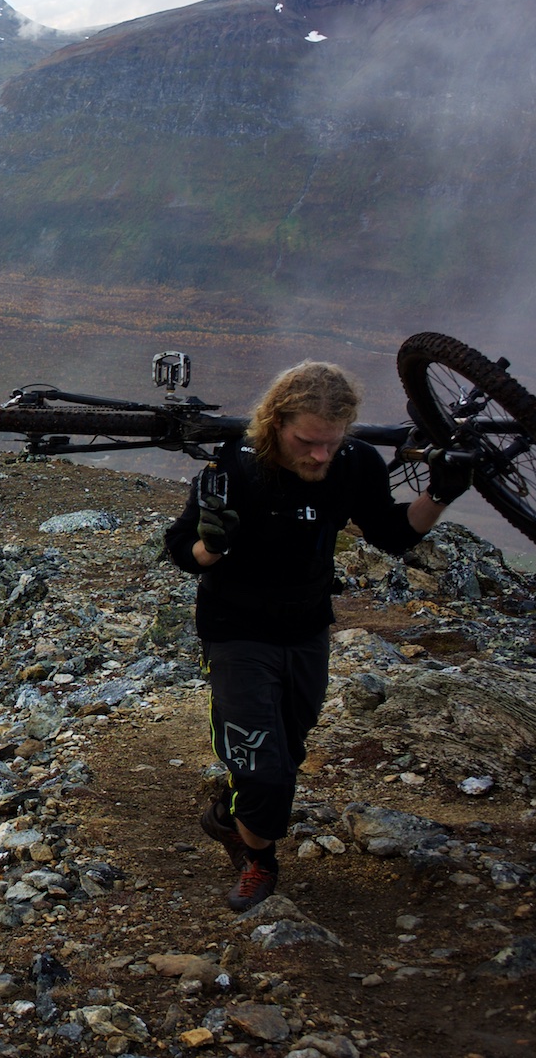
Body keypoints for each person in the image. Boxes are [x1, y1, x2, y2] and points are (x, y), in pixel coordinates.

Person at [162, 361, 470, 910]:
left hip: (306, 629)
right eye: (307, 442)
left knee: (290, 749)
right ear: (275, 423)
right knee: (263, 767)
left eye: (331, 442)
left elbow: (394, 534)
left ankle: (230, 818)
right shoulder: (235, 467)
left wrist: (441, 494)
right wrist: (215, 544)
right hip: (235, 631)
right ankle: (259, 859)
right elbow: (184, 549)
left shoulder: (354, 465)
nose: (320, 456)